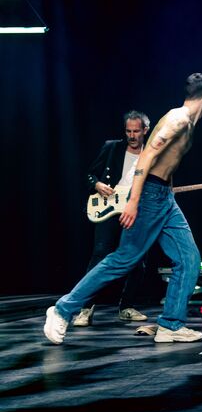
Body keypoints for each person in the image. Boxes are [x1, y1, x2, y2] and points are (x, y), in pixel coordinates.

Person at [44, 73, 202, 344]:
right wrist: (134, 202)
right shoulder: (178, 119)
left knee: (189, 259)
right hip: (148, 196)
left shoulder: (187, 122)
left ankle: (171, 324)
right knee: (123, 259)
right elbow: (146, 157)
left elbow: (166, 163)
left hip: (164, 198)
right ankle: (62, 309)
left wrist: (168, 193)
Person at [72, 110, 151, 327]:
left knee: (137, 260)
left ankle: (126, 306)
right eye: (128, 131)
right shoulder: (112, 147)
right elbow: (90, 174)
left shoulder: (151, 154)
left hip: (134, 211)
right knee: (99, 255)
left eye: (136, 131)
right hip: (108, 209)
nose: (132, 136)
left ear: (146, 130)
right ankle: (85, 308)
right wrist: (96, 184)